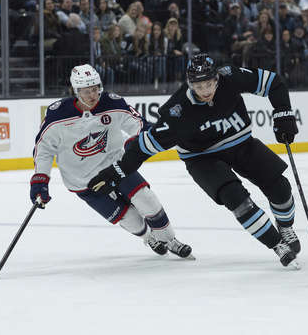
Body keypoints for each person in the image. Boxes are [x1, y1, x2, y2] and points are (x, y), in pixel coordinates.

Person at [88, 54, 301, 268]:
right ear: (190, 84)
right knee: (235, 197)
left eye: (209, 84)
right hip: (202, 158)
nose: (206, 91)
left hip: (241, 144)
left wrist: (283, 113)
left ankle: (285, 227)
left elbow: (275, 83)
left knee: (280, 188)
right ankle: (277, 245)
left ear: (217, 78)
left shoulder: (230, 76)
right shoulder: (178, 111)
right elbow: (143, 147)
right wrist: (116, 171)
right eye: (199, 86)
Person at [30, 64, 193, 259]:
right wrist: (40, 180)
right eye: (87, 91)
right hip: (82, 180)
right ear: (75, 91)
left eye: (96, 88)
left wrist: (139, 139)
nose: (93, 95)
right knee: (129, 218)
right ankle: (149, 237)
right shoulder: (57, 115)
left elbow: (138, 124)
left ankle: (170, 240)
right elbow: (44, 148)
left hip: (116, 166)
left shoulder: (112, 103)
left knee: (146, 198)